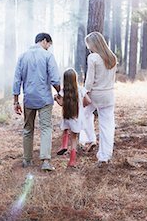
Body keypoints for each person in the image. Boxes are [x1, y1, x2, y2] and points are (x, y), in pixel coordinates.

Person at [13, 33, 61, 171]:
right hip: (44, 98)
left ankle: (27, 160)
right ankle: (45, 161)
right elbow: (55, 79)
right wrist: (59, 92)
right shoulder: (48, 56)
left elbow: (17, 80)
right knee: (46, 128)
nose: (48, 48)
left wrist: (16, 101)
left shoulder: (22, 56)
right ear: (45, 41)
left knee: (28, 129)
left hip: (28, 99)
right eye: (49, 45)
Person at [80, 31, 117, 166]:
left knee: (83, 114)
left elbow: (89, 81)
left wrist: (84, 92)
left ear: (93, 44)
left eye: (88, 44)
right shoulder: (112, 57)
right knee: (107, 125)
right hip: (109, 94)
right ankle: (104, 156)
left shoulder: (93, 57)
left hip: (95, 94)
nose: (88, 47)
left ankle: (88, 139)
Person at [54, 68, 91, 168]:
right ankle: (72, 161)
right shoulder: (81, 89)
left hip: (67, 116)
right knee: (74, 139)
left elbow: (61, 103)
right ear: (75, 78)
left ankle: (64, 145)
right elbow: (88, 101)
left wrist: (56, 99)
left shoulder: (63, 91)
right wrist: (81, 105)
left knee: (65, 130)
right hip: (77, 117)